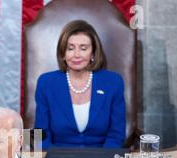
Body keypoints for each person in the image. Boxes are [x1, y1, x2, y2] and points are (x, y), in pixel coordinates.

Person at [34, 20, 126, 149]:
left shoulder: (113, 82)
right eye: (70, 48)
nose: (76, 55)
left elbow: (117, 134)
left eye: (83, 48)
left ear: (93, 53)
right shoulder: (46, 82)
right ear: (63, 54)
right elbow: (39, 134)